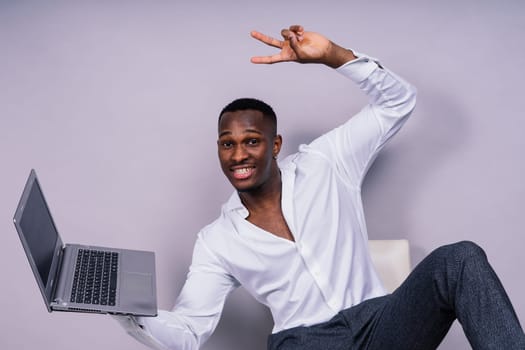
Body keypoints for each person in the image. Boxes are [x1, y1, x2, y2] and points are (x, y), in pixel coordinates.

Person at [114, 25, 525, 349]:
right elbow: (186, 333)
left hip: (379, 324)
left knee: (460, 259)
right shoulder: (217, 240)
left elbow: (397, 102)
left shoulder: (326, 163)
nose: (239, 154)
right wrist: (123, 306)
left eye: (252, 141)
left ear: (275, 144)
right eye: (228, 144)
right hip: (303, 342)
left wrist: (333, 57)